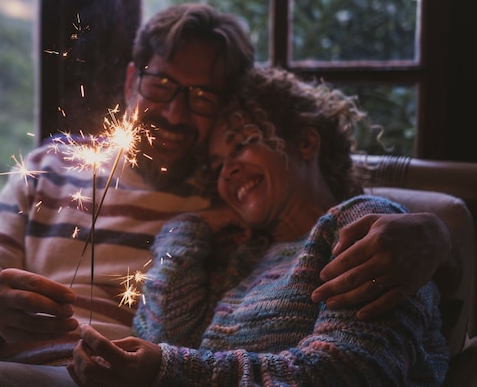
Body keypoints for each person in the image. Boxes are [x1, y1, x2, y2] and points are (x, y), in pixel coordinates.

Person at [0, 3, 454, 387]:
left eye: (202, 99)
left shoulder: (230, 212)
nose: (174, 111)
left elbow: (335, 200)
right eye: (163, 83)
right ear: (130, 80)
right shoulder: (48, 166)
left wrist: (436, 235)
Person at [67, 66, 451, 387]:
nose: (228, 170)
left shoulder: (362, 225)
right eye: (217, 166)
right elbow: (158, 339)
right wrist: (187, 230)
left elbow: (353, 370)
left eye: (243, 143)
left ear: (305, 143)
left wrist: (169, 369)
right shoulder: (239, 260)